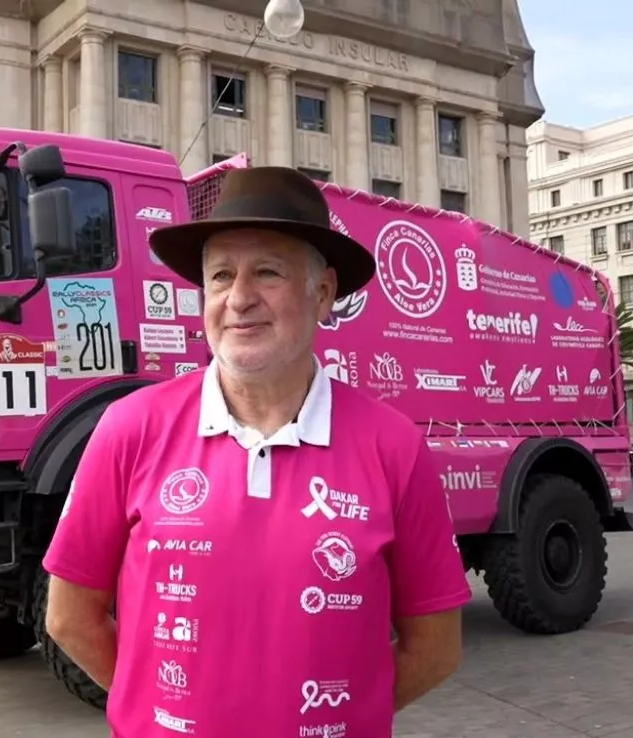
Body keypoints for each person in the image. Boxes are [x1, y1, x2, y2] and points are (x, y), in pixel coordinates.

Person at [41, 166, 471, 738]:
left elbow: (436, 648)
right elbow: (69, 617)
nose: (239, 299)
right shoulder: (130, 428)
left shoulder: (393, 447)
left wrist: (342, 717)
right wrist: (157, 711)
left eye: (267, 272)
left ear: (322, 294)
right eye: (220, 276)